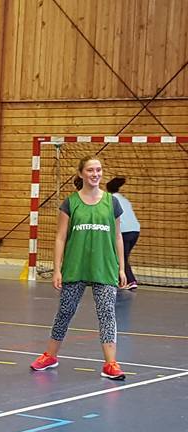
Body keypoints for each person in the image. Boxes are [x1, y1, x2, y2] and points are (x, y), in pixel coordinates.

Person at [30, 157, 127, 380]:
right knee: (65, 311)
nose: (95, 174)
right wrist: (57, 269)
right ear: (81, 173)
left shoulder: (112, 203)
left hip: (104, 267)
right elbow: (60, 237)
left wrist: (121, 268)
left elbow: (117, 237)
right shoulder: (70, 203)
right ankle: (50, 356)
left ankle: (111, 364)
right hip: (75, 266)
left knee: (107, 314)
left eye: (99, 170)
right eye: (91, 170)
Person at [106, 176, 140, 289]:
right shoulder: (124, 200)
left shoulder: (110, 199)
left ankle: (130, 280)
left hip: (124, 231)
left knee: (121, 257)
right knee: (122, 256)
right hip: (135, 230)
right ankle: (120, 279)